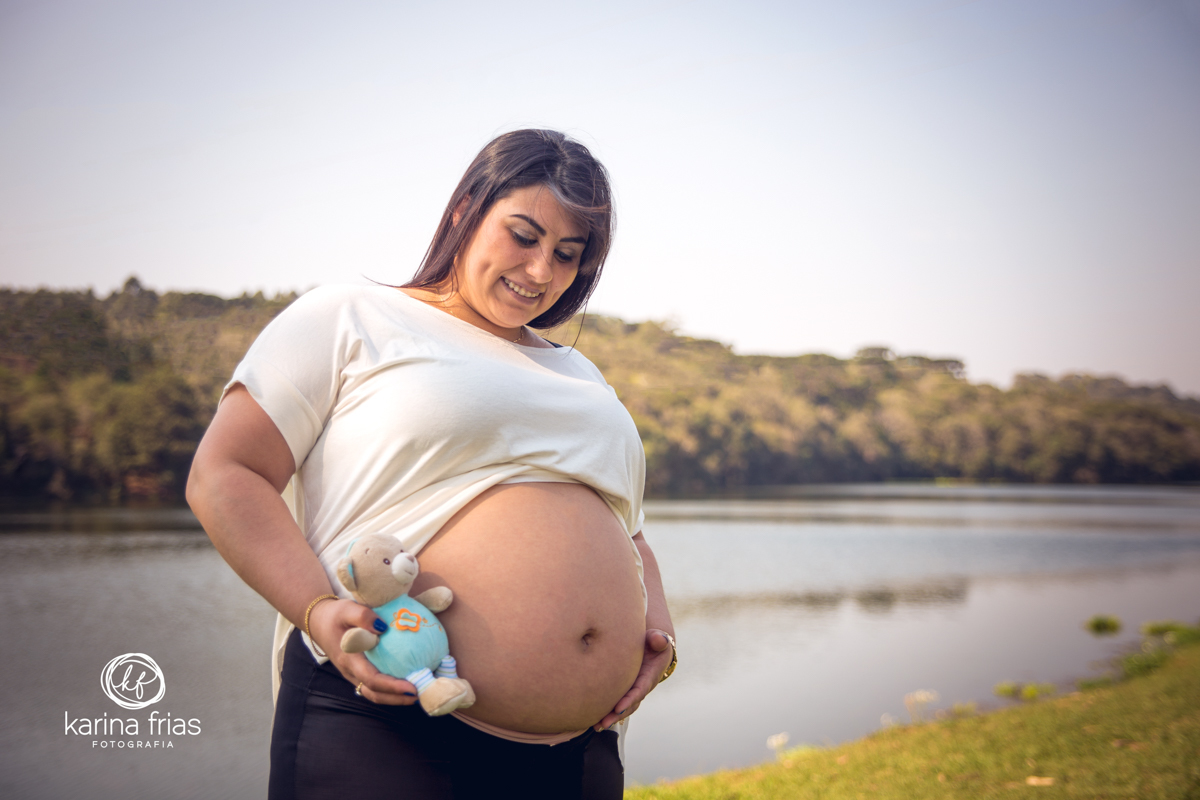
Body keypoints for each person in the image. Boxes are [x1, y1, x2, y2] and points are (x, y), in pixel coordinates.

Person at [186, 129, 676, 800]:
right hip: (389, 721)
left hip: (580, 752)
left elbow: (630, 530)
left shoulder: (582, 373)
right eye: (524, 236)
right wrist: (320, 611)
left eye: (568, 254)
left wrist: (657, 634)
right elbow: (226, 474)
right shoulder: (352, 315)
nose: (541, 272)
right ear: (465, 210)